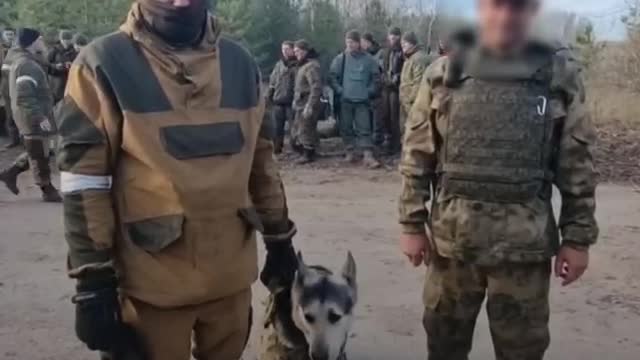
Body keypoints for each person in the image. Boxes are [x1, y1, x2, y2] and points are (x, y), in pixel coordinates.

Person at [56, 1, 298, 359]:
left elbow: (261, 163)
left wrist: (280, 241)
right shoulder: (102, 63)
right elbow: (84, 181)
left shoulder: (239, 63)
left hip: (229, 280)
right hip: (151, 288)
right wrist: (93, 281)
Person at [399, 0, 599, 359]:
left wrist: (578, 239)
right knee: (444, 346)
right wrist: (411, 224)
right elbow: (417, 154)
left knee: (522, 352)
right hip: (452, 248)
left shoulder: (559, 77)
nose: (507, 15)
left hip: (524, 251)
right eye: (497, 5)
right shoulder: (444, 73)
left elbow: (577, 164)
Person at [0, 28, 61, 202]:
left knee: (39, 149)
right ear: (33, 42)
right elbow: (24, 96)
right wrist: (40, 117)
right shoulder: (26, 64)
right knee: (40, 153)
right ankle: (47, 189)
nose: (42, 43)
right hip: (33, 115)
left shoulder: (26, 60)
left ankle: (10, 174)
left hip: (34, 113)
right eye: (40, 39)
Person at [329, 30, 381, 168]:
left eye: (352, 42)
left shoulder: (369, 60)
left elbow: (376, 79)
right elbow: (332, 77)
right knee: (346, 127)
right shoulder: (341, 59)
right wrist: (340, 91)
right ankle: (350, 152)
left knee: (364, 127)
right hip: (346, 100)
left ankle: (368, 155)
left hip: (362, 101)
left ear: (358, 43)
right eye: (347, 42)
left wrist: (368, 92)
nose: (349, 45)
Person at [290, 39, 322, 164]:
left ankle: (308, 154)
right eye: (295, 51)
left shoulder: (311, 66)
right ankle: (305, 152)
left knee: (305, 129)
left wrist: (310, 105)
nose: (295, 53)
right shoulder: (302, 65)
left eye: (298, 51)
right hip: (300, 102)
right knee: (296, 131)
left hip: (307, 102)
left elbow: (316, 86)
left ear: (304, 51)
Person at [399, 32, 435, 127]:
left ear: (412, 43)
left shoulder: (418, 59)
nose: (402, 45)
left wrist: (411, 100)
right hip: (406, 103)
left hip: (414, 104)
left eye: (405, 42)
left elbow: (419, 83)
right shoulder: (409, 58)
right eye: (401, 43)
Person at [268, 40, 297, 154]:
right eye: (283, 49)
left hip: (292, 101)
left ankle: (295, 149)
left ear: (292, 50)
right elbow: (273, 82)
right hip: (278, 100)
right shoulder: (279, 64)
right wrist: (269, 96)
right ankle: (276, 149)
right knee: (277, 128)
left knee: (293, 128)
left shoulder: (297, 64)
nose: (284, 51)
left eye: (287, 49)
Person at [379, 27, 404, 155]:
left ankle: (396, 144)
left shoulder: (402, 52)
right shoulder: (385, 52)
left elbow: (403, 70)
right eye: (391, 37)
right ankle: (387, 141)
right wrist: (384, 78)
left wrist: (396, 79)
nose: (393, 39)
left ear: (399, 37)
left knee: (395, 116)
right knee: (385, 115)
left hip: (396, 88)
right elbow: (382, 68)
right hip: (385, 87)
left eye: (395, 37)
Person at [361, 32, 385, 154]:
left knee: (377, 120)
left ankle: (378, 144)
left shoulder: (379, 53)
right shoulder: (364, 55)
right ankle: (370, 143)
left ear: (368, 42)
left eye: (363, 43)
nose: (361, 45)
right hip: (366, 90)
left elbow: (381, 71)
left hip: (377, 90)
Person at [48, 30, 79, 104]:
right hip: (57, 81)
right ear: (61, 40)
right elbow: (47, 64)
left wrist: (71, 65)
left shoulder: (74, 50)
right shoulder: (54, 50)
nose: (66, 42)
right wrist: (56, 66)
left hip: (70, 78)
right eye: (64, 40)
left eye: (68, 40)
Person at [1, 27, 20, 148]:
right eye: (7, 34)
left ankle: (23, 139)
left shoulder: (18, 49)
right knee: (9, 113)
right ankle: (13, 139)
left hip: (17, 84)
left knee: (19, 111)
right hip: (5, 85)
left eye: (12, 34)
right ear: (3, 35)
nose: (9, 36)